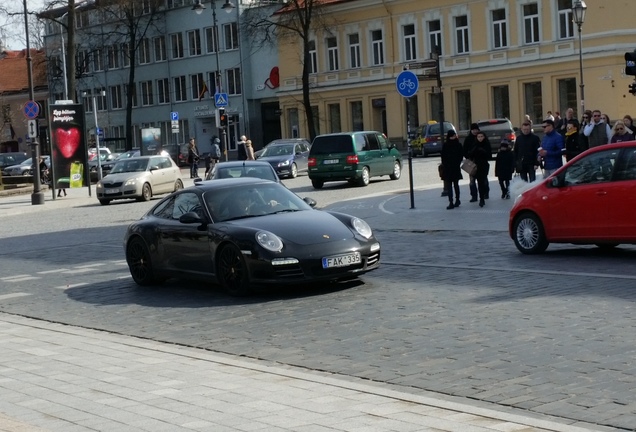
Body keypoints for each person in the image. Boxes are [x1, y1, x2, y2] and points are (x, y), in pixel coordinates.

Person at [440, 130, 463, 209]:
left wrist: (456, 163)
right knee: (451, 186)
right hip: (450, 168)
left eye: (454, 136)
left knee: (455, 185)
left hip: (453, 168)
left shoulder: (456, 145)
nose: (453, 137)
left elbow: (460, 156)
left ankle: (455, 200)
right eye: (452, 136)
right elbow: (443, 157)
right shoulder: (448, 145)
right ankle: (452, 201)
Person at [468, 131, 491, 207]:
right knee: (475, 182)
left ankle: (482, 198)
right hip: (475, 166)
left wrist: (482, 151)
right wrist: (474, 150)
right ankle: (478, 197)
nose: (480, 138)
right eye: (479, 137)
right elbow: (469, 154)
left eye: (481, 136)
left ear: (484, 137)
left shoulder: (486, 144)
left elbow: (489, 156)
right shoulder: (474, 145)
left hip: (483, 166)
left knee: (482, 183)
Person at [462, 123, 480, 202]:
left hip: (480, 162)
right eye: (474, 130)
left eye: (476, 130)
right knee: (472, 180)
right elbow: (464, 151)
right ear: (471, 130)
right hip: (471, 162)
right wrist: (468, 157)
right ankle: (474, 196)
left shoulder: (480, 137)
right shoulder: (468, 139)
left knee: (482, 180)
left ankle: (484, 194)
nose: (475, 131)